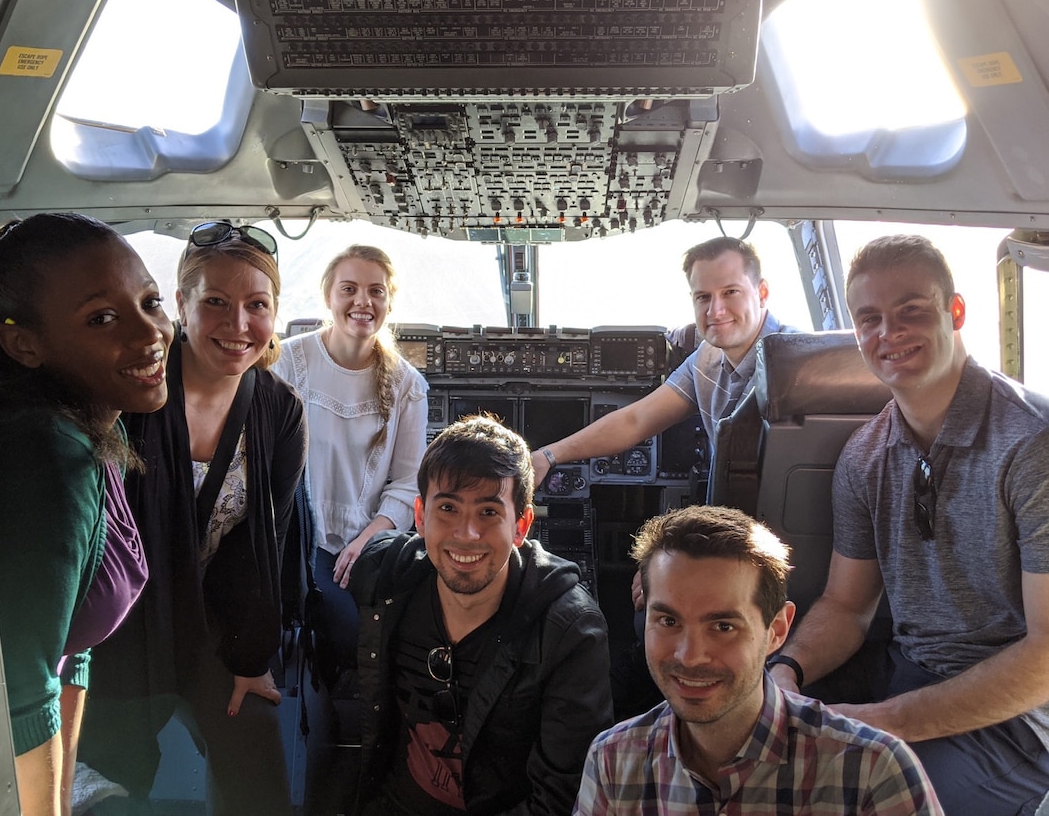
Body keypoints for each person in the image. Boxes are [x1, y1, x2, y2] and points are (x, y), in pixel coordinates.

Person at [768, 234, 1049, 814]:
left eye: (912, 311)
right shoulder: (866, 455)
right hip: (906, 672)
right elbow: (847, 608)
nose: (888, 333)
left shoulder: (1031, 445)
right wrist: (784, 670)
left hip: (1020, 719)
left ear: (957, 311)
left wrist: (883, 724)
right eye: (869, 318)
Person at [78, 222, 308, 814]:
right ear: (180, 304)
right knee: (109, 787)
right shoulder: (130, 394)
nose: (238, 326)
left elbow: (262, 547)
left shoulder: (279, 411)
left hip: (214, 627)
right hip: (119, 631)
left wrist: (251, 658)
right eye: (215, 303)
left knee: (259, 775)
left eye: (257, 305)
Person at [574, 504, 943, 815]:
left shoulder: (872, 772)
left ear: (777, 630)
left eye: (722, 626)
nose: (690, 655)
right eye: (669, 621)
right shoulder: (612, 762)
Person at [0, 213, 172, 816]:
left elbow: (73, 647)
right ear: (24, 345)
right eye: (102, 318)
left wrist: (63, 798)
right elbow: (21, 684)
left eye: (150, 302)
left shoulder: (95, 424)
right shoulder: (43, 451)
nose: (150, 334)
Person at [348, 414, 613, 815]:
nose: (466, 534)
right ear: (420, 517)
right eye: (448, 508)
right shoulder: (385, 578)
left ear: (521, 524)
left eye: (489, 512)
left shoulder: (569, 632)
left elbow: (561, 796)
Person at [273, 244, 428, 812]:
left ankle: (368, 751)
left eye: (375, 291)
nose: (362, 302)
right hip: (294, 533)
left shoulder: (407, 384)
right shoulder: (290, 362)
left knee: (371, 632)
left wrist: (371, 536)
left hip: (367, 539)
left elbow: (409, 484)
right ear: (328, 296)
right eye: (349, 289)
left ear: (389, 302)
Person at [531, 236, 793, 489]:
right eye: (703, 297)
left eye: (730, 292)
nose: (715, 311)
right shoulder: (706, 357)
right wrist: (548, 456)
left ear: (762, 292)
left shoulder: (801, 364)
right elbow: (636, 420)